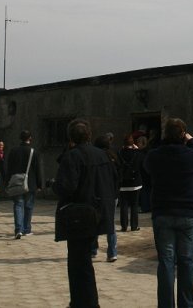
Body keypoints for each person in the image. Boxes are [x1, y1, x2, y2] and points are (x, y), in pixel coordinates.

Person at [144, 118, 193, 308]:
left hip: (163, 212)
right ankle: (187, 304)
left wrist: (159, 143)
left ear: (165, 134)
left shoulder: (156, 155)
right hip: (187, 213)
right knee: (186, 261)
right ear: (183, 135)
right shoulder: (190, 155)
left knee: (166, 262)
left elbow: (147, 166)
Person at [54, 119, 117, 308]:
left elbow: (66, 187)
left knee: (78, 263)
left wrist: (55, 185)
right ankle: (85, 301)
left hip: (79, 216)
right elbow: (114, 181)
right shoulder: (103, 155)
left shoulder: (72, 157)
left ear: (71, 138)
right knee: (83, 262)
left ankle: (84, 302)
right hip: (99, 212)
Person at [6, 130, 43, 239]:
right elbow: (38, 169)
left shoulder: (13, 151)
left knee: (18, 205)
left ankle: (18, 229)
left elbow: (9, 168)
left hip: (16, 182)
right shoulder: (33, 151)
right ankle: (26, 229)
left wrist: (7, 181)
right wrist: (39, 184)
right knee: (28, 206)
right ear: (30, 138)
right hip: (30, 183)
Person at [91, 133, 118, 262]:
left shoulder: (93, 159)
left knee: (94, 222)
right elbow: (117, 177)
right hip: (110, 195)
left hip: (96, 194)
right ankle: (112, 252)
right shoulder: (113, 158)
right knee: (110, 224)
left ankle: (93, 249)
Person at [117, 133, 144, 232]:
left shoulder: (119, 153)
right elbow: (142, 163)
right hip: (135, 182)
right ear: (133, 143)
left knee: (123, 205)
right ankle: (134, 226)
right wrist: (137, 150)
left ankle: (124, 226)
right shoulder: (137, 153)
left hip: (123, 182)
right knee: (134, 205)